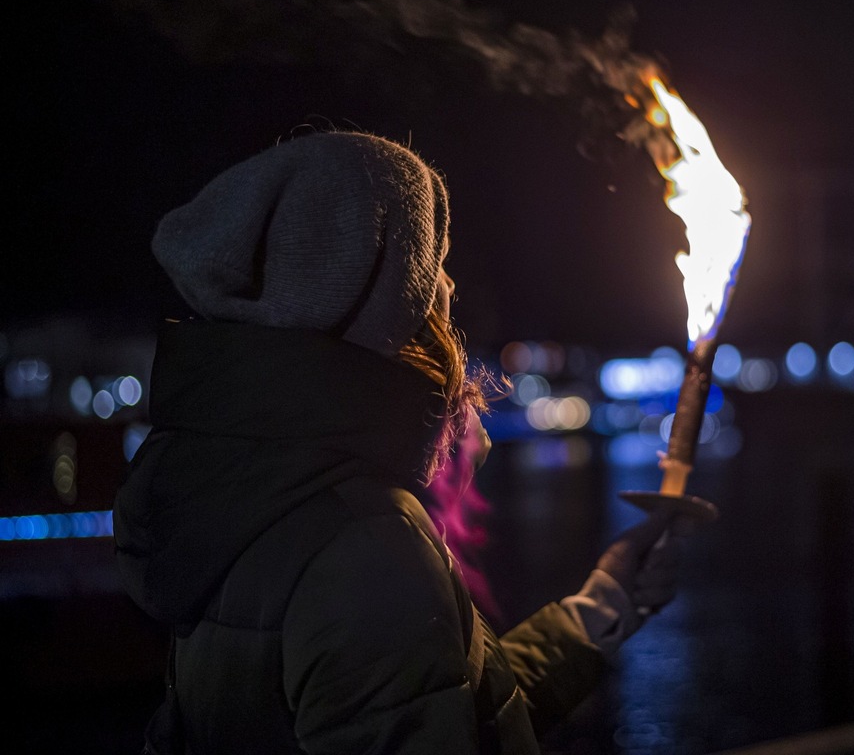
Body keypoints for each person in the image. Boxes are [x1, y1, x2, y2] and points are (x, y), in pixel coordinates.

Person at [113, 129, 691, 754]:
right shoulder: (366, 546)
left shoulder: (233, 498)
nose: (449, 289)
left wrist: (601, 608)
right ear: (388, 295)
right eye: (434, 261)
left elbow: (437, 707)